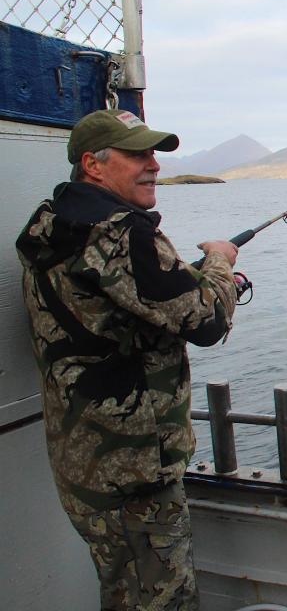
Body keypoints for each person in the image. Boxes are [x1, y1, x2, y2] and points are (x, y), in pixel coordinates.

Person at [15, 109, 240, 610]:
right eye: (138, 154)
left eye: (154, 154)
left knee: (122, 591)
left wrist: (190, 276)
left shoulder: (52, 223)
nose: (154, 165)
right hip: (136, 470)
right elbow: (205, 322)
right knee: (160, 600)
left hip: (85, 463)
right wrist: (222, 263)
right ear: (94, 165)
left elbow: (122, 303)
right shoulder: (123, 233)